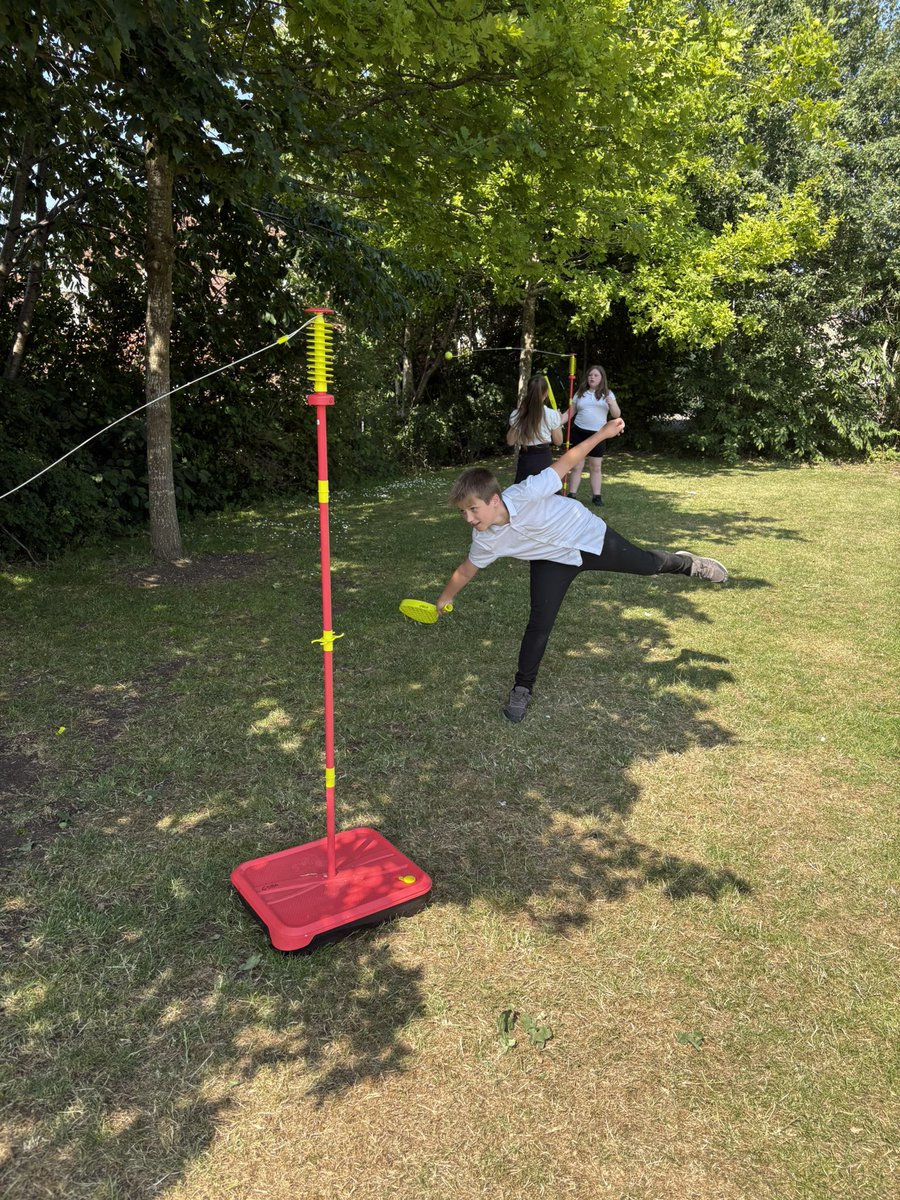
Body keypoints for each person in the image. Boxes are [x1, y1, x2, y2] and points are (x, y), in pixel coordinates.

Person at [433, 418, 728, 723]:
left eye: (473, 509)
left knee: (647, 565)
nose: (467, 518)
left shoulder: (525, 492)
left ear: (494, 500)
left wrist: (602, 433)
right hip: (551, 561)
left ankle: (689, 564)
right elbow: (466, 570)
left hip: (588, 536)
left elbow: (569, 460)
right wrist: (444, 598)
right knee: (539, 623)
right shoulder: (484, 539)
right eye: (462, 512)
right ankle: (522, 688)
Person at [560, 364, 621, 504]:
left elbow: (616, 415)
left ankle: (597, 496)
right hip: (579, 432)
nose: (592, 377)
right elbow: (570, 413)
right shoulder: (580, 393)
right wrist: (557, 421)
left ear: (601, 378)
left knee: (595, 466)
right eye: (590, 375)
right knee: (576, 465)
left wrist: (612, 404)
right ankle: (572, 495)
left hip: (598, 434)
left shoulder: (608, 394)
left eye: (595, 375)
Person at [507, 374, 563, 483]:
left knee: (524, 495)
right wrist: (559, 423)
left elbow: (510, 441)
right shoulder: (552, 414)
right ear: (546, 393)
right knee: (546, 495)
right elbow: (558, 442)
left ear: (528, 391)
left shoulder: (517, 414)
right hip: (544, 458)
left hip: (526, 459)